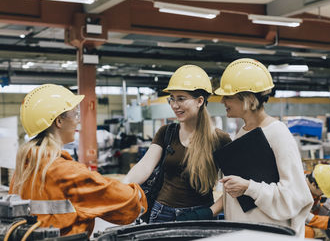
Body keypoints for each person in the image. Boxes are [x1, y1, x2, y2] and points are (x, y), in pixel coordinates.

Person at [9, 84, 147, 237]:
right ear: (59, 121)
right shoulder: (66, 171)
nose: (78, 121)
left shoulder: (24, 168)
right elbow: (127, 202)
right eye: (75, 114)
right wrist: (139, 193)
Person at [213, 58, 314, 237]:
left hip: (268, 235)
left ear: (248, 99)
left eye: (228, 96)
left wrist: (249, 187)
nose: (222, 101)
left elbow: (295, 197)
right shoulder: (243, 132)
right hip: (244, 233)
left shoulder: (278, 133)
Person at [123, 65, 231, 223]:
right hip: (162, 214)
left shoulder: (220, 140)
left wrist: (210, 212)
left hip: (201, 216)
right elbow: (145, 166)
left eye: (181, 98)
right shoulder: (167, 132)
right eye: (172, 98)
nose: (174, 105)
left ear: (199, 101)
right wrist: (122, 187)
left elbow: (233, 186)